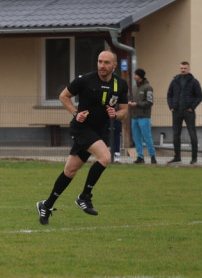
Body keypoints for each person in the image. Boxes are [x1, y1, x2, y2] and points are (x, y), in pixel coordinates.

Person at [36, 50, 128, 225]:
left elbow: (124, 112)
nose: (102, 65)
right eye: (100, 61)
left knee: (70, 171)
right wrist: (75, 113)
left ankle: (46, 205)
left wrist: (115, 114)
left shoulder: (120, 84)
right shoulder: (85, 79)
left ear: (114, 65)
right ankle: (84, 196)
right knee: (105, 157)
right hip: (81, 129)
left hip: (96, 131)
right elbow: (64, 96)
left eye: (107, 62)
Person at [166, 61, 202, 164]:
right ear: (179, 68)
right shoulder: (175, 81)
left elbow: (199, 96)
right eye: (181, 68)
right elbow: (169, 95)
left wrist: (192, 107)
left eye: (185, 68)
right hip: (176, 111)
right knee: (176, 135)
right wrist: (171, 106)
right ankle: (177, 157)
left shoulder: (194, 82)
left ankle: (194, 158)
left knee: (192, 134)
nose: (183, 70)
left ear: (188, 69)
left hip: (188, 112)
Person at [128, 68, 156, 164]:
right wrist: (131, 102)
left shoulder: (148, 88)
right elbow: (132, 99)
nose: (134, 76)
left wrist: (137, 104)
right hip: (134, 117)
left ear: (140, 76)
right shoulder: (134, 88)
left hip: (144, 117)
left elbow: (150, 102)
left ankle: (152, 156)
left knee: (147, 137)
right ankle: (140, 156)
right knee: (136, 138)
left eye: (136, 75)